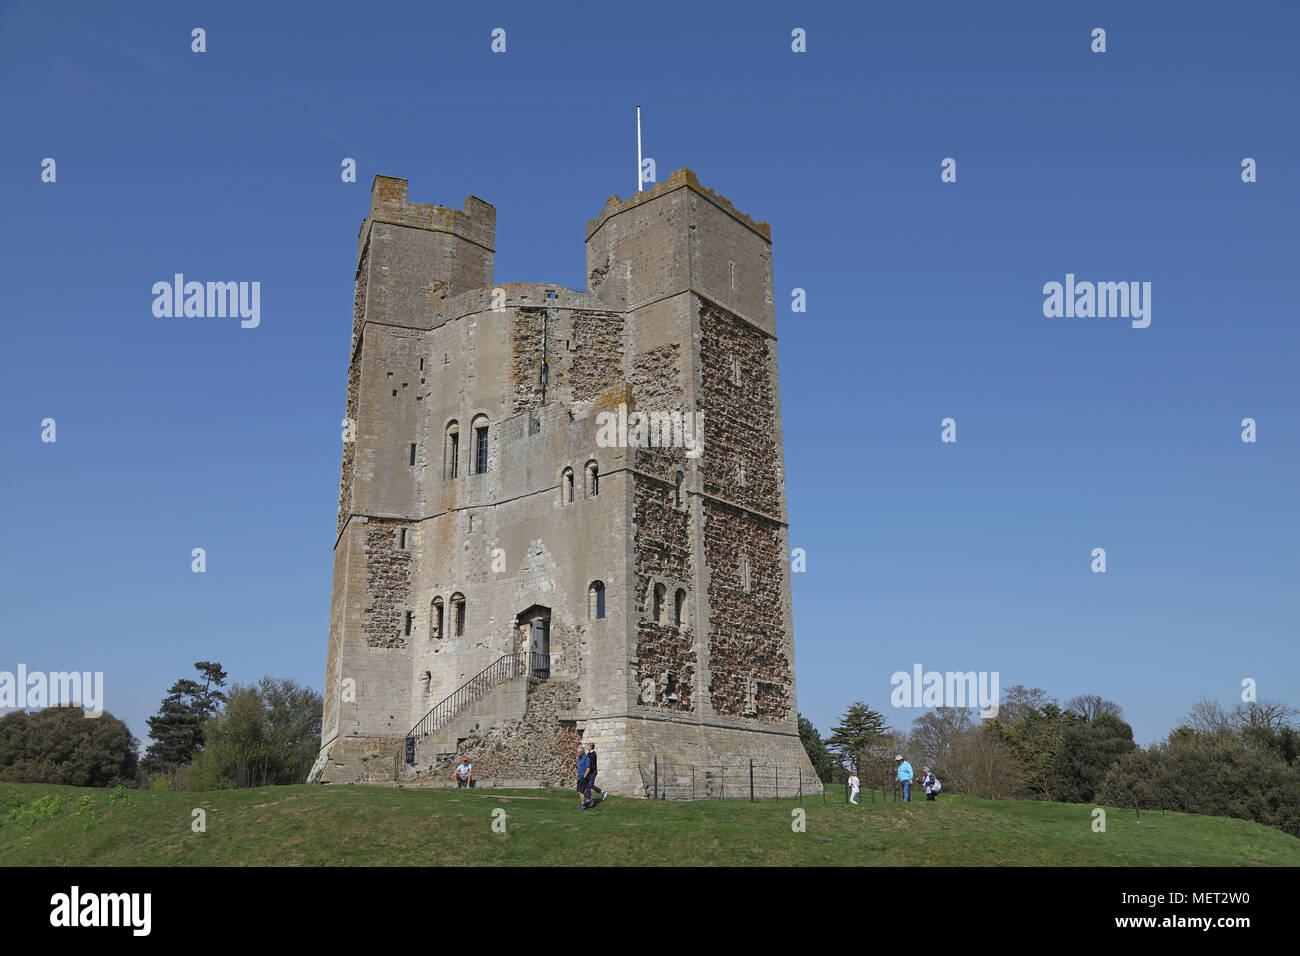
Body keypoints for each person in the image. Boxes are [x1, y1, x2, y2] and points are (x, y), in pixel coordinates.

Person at [576, 745, 591, 810]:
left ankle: (583, 806)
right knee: (579, 791)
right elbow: (579, 768)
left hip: (584, 777)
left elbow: (588, 768)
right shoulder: (579, 759)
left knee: (581, 791)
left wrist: (584, 777)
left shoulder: (586, 758)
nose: (577, 753)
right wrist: (575, 765)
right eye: (577, 752)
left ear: (582, 752)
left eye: (579, 752)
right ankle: (590, 798)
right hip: (580, 777)